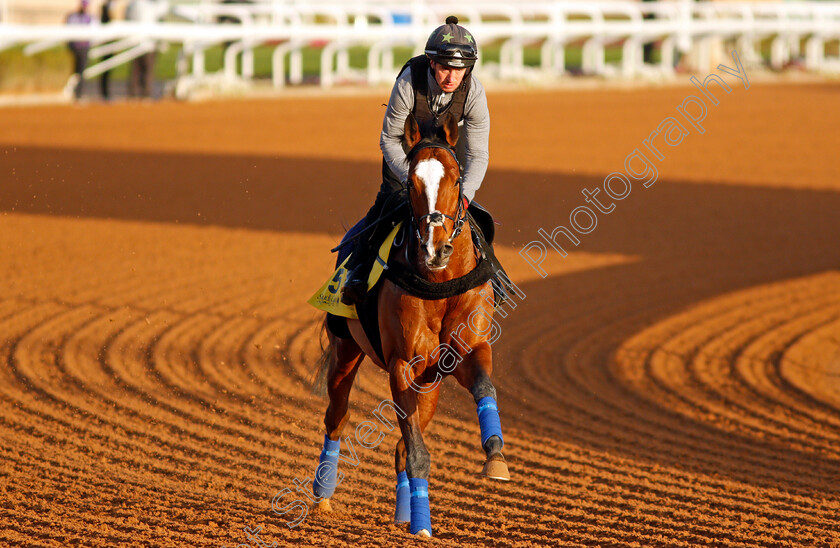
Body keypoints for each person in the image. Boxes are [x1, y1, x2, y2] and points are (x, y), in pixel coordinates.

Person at [340, 16, 490, 305]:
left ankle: (492, 273)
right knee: (387, 206)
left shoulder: (474, 92)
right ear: (431, 63)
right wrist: (412, 177)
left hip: (446, 158)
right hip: (405, 156)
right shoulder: (408, 81)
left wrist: (465, 195)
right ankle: (356, 273)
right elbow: (389, 139)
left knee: (475, 221)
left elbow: (478, 154)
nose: (451, 77)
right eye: (445, 68)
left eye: (459, 70)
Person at [66, 0, 93, 101]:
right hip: (77, 47)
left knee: (80, 72)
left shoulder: (89, 17)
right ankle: (75, 93)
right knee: (77, 71)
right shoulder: (74, 17)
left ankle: (78, 93)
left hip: (83, 47)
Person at [99, 0, 114, 100]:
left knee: (108, 70)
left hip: (111, 44)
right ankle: (104, 93)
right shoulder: (104, 9)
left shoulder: (111, 8)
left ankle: (106, 92)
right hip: (105, 44)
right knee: (105, 69)